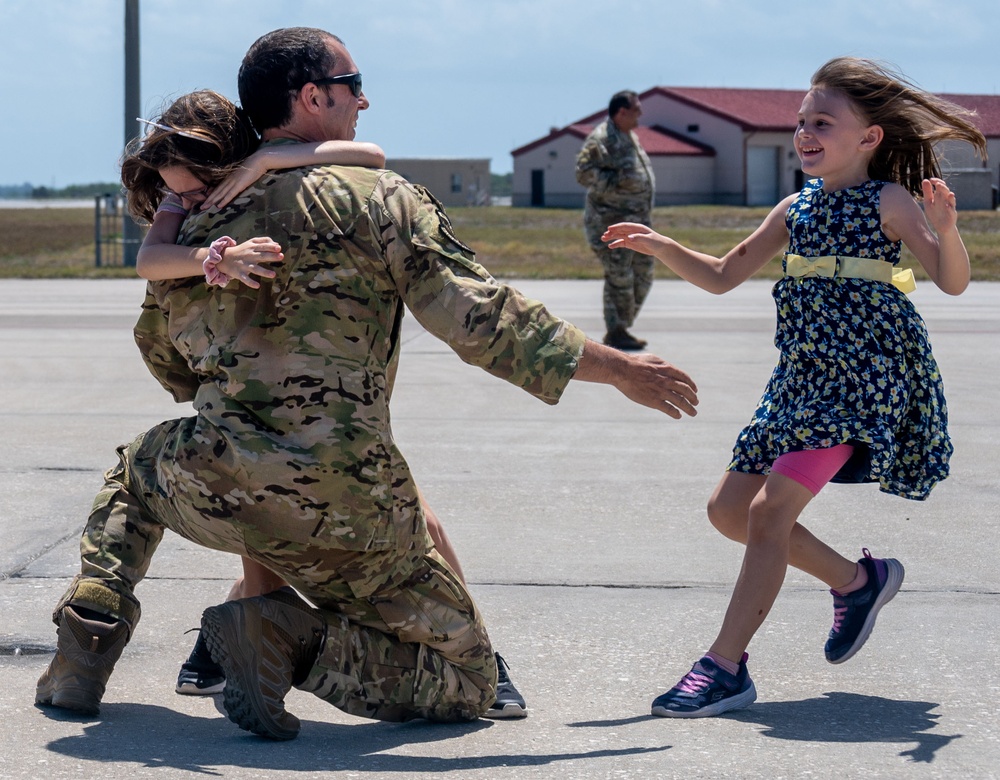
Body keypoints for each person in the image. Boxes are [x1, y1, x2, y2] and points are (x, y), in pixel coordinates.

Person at [35, 27, 699, 739]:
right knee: (468, 679)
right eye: (355, 85)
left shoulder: (199, 230)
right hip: (357, 515)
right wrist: (619, 366)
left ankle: (86, 649)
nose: (365, 100)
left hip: (218, 477)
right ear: (313, 96)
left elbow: (162, 355)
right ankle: (293, 642)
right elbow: (482, 321)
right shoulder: (381, 200)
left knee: (134, 476)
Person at [123, 90, 529, 718]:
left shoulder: (265, 166)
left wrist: (267, 163)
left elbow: (370, 152)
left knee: (389, 522)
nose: (192, 202)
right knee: (273, 519)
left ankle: (226, 638)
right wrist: (206, 253)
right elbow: (151, 259)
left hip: (335, 398)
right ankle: (252, 635)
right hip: (267, 395)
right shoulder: (193, 211)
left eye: (197, 189)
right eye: (179, 193)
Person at [603, 56, 986, 718]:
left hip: (867, 379)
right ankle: (858, 583)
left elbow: (952, 281)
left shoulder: (887, 202)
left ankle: (724, 667)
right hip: (799, 381)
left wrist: (947, 233)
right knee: (730, 512)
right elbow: (725, 274)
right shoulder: (795, 207)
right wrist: (662, 246)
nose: (804, 134)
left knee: (767, 513)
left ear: (869, 138)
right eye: (801, 122)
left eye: (823, 123)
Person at [575, 90, 656, 351]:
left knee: (644, 272)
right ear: (621, 112)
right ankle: (616, 330)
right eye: (636, 110)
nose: (640, 115)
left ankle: (622, 323)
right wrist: (618, 181)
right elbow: (583, 173)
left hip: (637, 222)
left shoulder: (629, 137)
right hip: (610, 222)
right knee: (619, 275)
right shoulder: (603, 139)